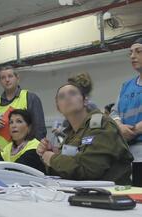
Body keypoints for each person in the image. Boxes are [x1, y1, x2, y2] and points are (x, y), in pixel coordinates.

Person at [37, 73, 133, 185]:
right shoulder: (71, 134)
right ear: (58, 107)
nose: (67, 97)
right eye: (61, 96)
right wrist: (52, 152)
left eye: (72, 93)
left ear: (85, 101)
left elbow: (89, 169)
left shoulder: (101, 124)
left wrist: (52, 158)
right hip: (84, 193)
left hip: (112, 195)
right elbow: (64, 170)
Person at [0, 66, 46, 156]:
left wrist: (33, 152)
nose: (7, 80)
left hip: (22, 153)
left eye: (10, 76)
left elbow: (39, 129)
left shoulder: (30, 97)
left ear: (17, 78)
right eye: (3, 78)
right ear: (0, 81)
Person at [110, 37, 142, 186]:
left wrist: (134, 130)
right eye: (130, 53)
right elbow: (114, 112)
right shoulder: (126, 86)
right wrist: (120, 127)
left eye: (138, 51)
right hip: (127, 155)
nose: (132, 56)